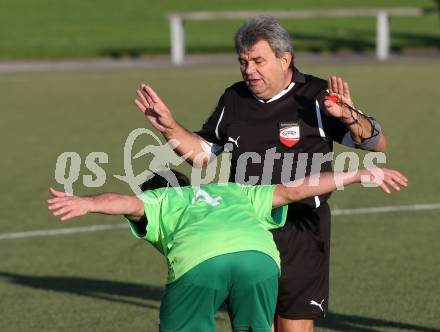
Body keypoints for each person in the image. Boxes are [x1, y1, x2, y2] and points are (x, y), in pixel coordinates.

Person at [133, 15, 388, 332]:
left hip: (302, 229)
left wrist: (348, 116)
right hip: (248, 229)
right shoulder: (234, 99)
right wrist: (169, 127)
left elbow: (375, 143)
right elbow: (202, 156)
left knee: (294, 328)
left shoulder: (317, 96)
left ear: (285, 60)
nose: (249, 70)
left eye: (258, 61)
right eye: (243, 62)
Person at [48, 168, 406, 332]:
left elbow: (125, 202)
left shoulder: (159, 199)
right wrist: (355, 174)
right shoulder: (234, 190)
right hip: (261, 260)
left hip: (201, 262)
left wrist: (88, 202)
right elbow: (294, 190)